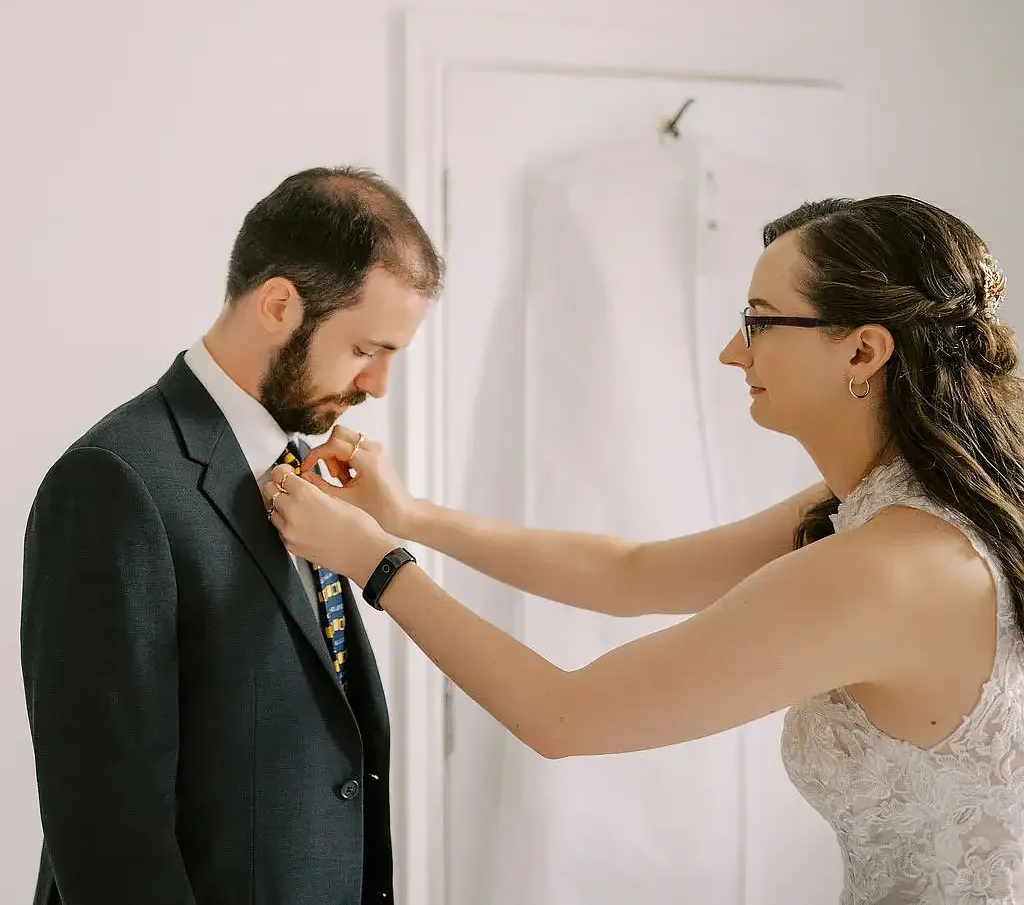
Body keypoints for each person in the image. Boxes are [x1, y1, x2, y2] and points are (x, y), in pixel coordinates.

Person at [265, 194, 1024, 904]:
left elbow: (564, 716)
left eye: (760, 322)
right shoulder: (878, 506)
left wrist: (375, 563)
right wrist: (409, 515)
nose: (734, 352)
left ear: (862, 352)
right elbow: (633, 573)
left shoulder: (890, 567)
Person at [21, 167, 443, 905]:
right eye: (365, 350)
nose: (377, 385)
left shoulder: (307, 478)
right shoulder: (113, 482)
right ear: (279, 303)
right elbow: (108, 829)